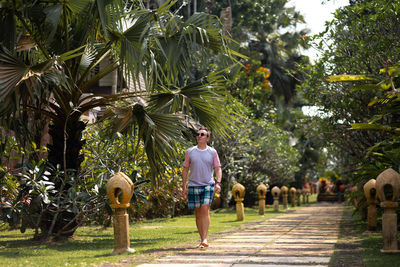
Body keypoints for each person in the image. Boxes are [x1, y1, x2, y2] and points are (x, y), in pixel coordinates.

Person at [182, 126, 222, 249]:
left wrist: (218, 183)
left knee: (205, 208)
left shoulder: (212, 152)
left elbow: (217, 168)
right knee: (198, 213)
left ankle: (205, 239)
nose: (199, 136)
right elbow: (185, 169)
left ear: (207, 138)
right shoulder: (190, 151)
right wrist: (184, 186)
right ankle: (201, 239)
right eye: (198, 134)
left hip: (207, 184)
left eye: (202, 134)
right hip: (193, 185)